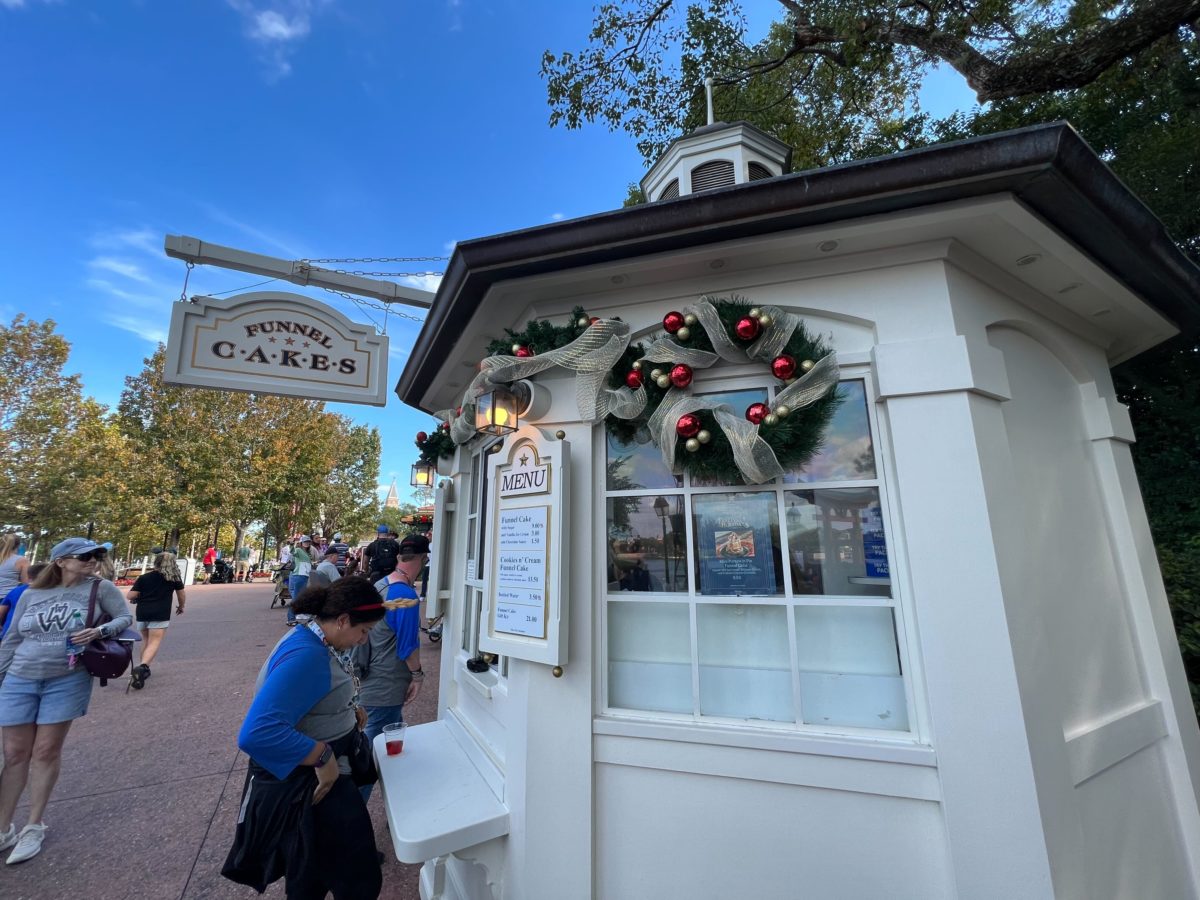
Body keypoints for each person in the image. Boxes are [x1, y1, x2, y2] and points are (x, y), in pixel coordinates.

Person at [224, 577, 385, 898]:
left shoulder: (312, 637)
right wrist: (322, 757)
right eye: (363, 631)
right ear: (342, 620)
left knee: (309, 866)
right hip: (313, 781)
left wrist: (347, 710)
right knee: (357, 875)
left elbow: (314, 697)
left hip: (313, 778)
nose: (363, 640)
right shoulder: (308, 657)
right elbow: (257, 733)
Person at [0, 538, 133, 864]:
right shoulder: (31, 594)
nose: (94, 560)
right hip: (19, 677)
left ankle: (34, 825)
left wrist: (98, 633)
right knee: (15, 754)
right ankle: (4, 827)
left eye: (98, 555)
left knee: (46, 751)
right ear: (61, 561)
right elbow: (13, 638)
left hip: (67, 679)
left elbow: (124, 618)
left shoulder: (99, 588)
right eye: (86, 556)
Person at [356, 534, 428, 801]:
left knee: (366, 750)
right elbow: (407, 646)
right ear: (422, 559)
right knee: (373, 758)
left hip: (367, 676)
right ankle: (350, 823)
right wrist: (418, 676)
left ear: (400, 557)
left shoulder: (382, 585)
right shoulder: (405, 595)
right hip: (385, 684)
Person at [126, 552, 187, 690]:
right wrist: (181, 606)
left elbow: (130, 595)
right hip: (160, 612)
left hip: (142, 612)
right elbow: (181, 594)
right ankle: (143, 668)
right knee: (154, 642)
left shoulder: (144, 577)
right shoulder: (173, 578)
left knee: (146, 640)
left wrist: (140, 594)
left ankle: (144, 668)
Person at [0, 565, 46, 641]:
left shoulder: (17, 590)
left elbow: (2, 610)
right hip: (33, 635)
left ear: (28, 577)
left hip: (9, 633)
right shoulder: (49, 592)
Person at [287, 536, 314, 626]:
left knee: (298, 597)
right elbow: (292, 551)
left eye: (308, 542)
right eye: (305, 542)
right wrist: (291, 544)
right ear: (301, 543)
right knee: (296, 598)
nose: (307, 543)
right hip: (299, 576)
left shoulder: (307, 553)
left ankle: (293, 617)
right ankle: (291, 618)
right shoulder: (298, 550)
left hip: (303, 576)